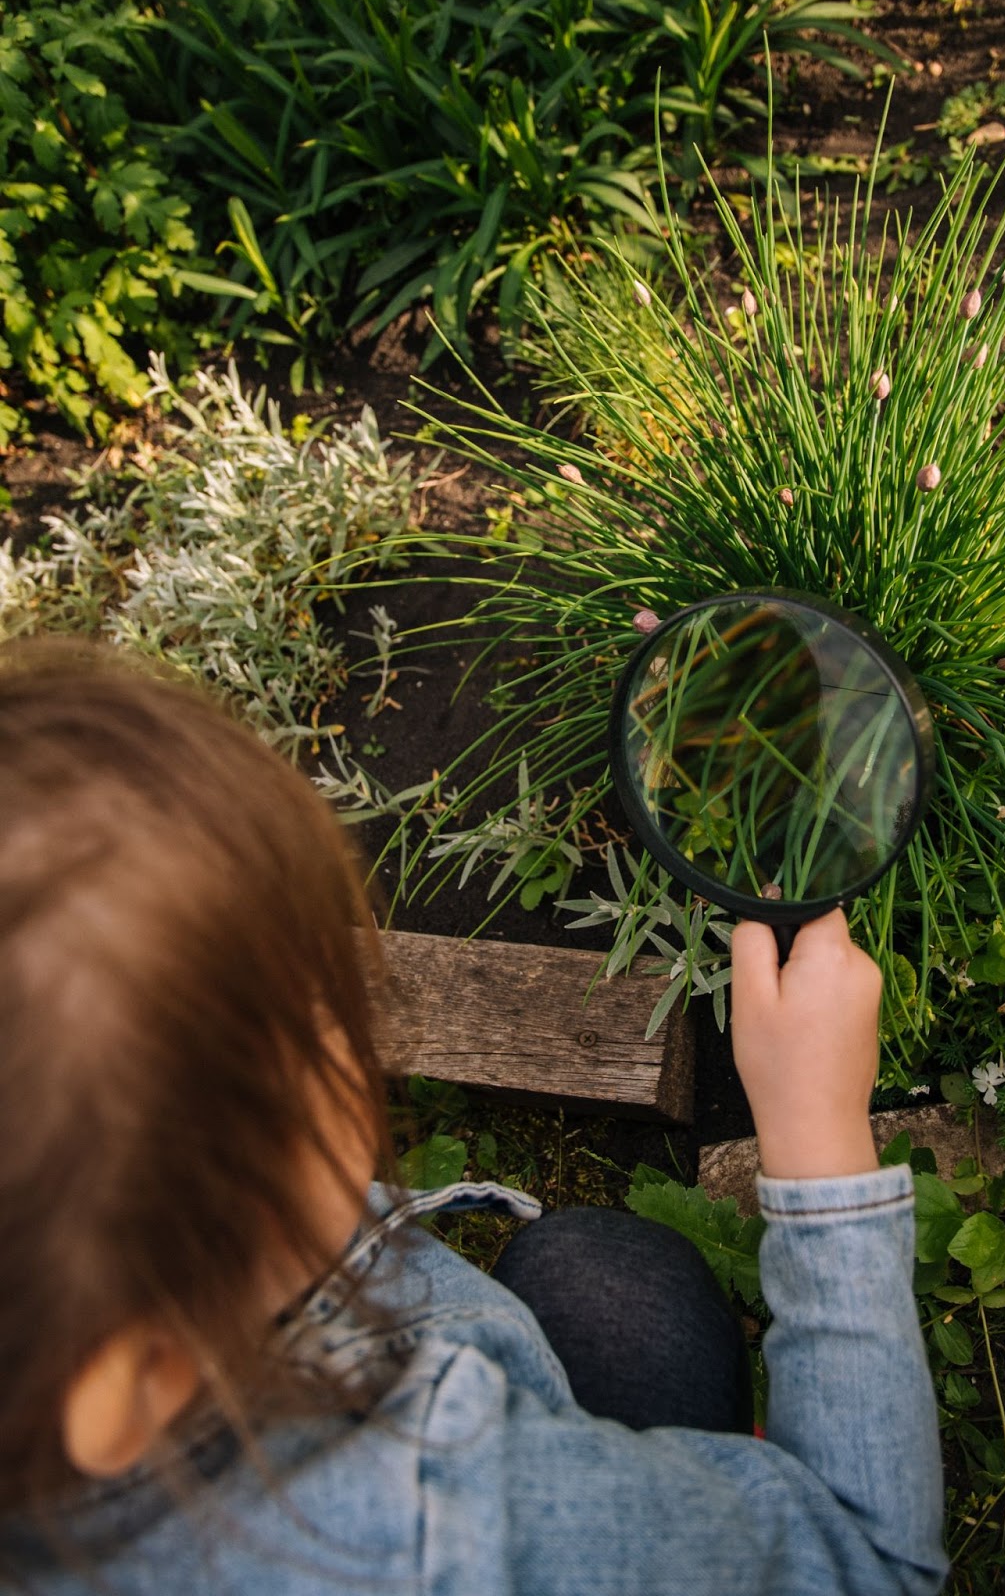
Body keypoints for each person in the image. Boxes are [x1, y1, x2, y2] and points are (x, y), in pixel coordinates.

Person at [0, 638, 948, 1595]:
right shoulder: (423, 1519)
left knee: (594, 1270)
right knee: (622, 1289)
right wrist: (816, 1134)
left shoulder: (86, 1313)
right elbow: (872, 1566)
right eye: (323, 1023)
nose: (360, 1034)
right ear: (131, 1373)